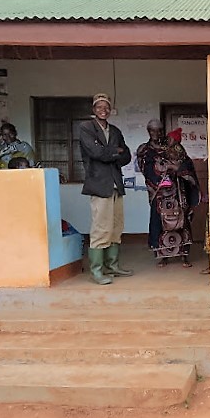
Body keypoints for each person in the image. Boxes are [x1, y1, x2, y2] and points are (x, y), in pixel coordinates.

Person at [79, 93, 133, 285]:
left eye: (106, 107)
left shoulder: (115, 131)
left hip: (116, 184)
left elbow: (126, 156)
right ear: (93, 110)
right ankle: (97, 271)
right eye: (99, 107)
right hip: (99, 184)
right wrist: (114, 151)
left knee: (116, 227)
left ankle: (113, 266)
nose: (104, 110)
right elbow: (95, 153)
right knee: (101, 228)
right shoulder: (86, 127)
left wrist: (113, 152)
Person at [136, 120, 201, 268]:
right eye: (152, 130)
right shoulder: (144, 150)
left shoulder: (174, 146)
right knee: (160, 223)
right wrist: (161, 172)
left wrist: (176, 168)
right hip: (158, 193)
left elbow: (186, 163)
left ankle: (184, 255)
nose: (156, 133)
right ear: (148, 131)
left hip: (177, 190)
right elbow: (145, 169)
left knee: (180, 221)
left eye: (159, 130)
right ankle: (163, 256)